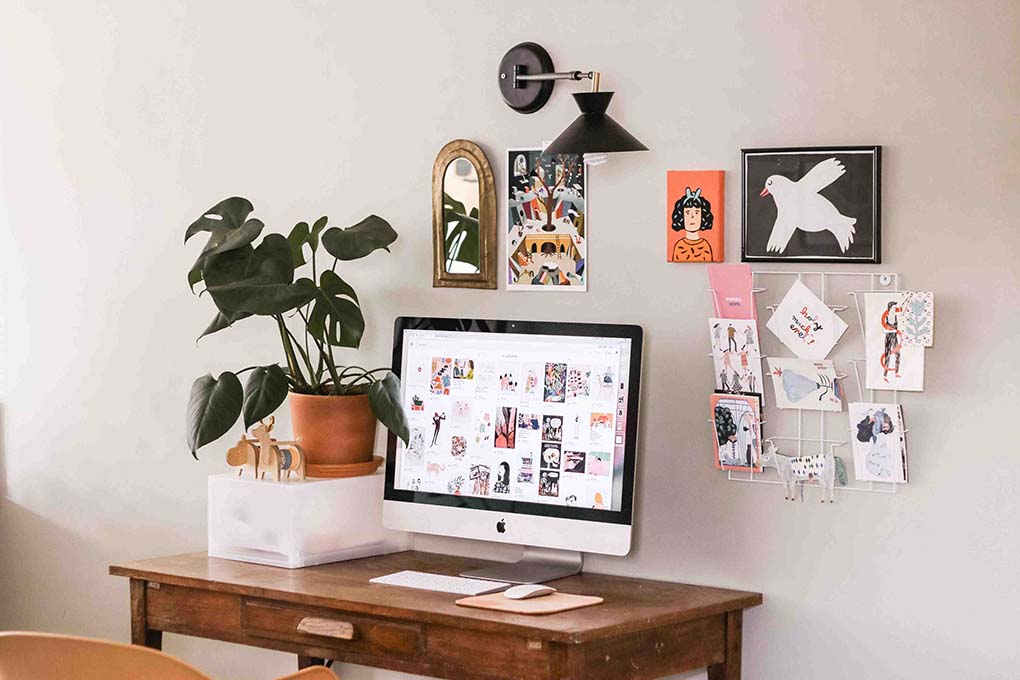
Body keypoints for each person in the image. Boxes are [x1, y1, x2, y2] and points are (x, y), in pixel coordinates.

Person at [670, 186, 716, 262]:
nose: (692, 217)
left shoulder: (705, 246)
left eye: (696, 213)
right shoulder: (679, 246)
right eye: (687, 213)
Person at [880, 301, 903, 380]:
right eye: (893, 308)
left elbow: (902, 310)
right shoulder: (886, 317)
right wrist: (890, 330)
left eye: (895, 308)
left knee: (898, 354)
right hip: (888, 337)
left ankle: (896, 372)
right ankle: (885, 375)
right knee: (887, 356)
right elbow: (883, 330)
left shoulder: (896, 316)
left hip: (894, 337)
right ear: (890, 308)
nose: (894, 309)